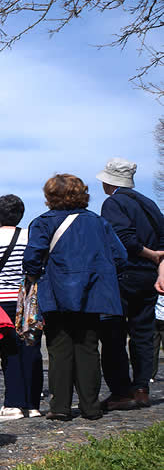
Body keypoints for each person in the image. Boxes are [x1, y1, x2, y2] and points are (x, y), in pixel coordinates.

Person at [23, 175, 126, 422]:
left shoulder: (43, 223)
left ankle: (60, 406)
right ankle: (91, 406)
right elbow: (120, 256)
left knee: (59, 350)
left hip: (56, 293)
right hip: (92, 294)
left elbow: (32, 259)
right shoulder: (99, 223)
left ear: (50, 197)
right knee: (89, 349)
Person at [96, 158, 164, 409]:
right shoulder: (149, 203)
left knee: (113, 334)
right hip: (149, 277)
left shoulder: (113, 203)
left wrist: (150, 255)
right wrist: (160, 267)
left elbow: (124, 240)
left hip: (124, 275)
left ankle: (121, 390)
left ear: (109, 181)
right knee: (143, 333)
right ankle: (141, 387)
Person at [0, 195, 40, 419]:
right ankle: (32, 404)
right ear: (21, 215)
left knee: (9, 352)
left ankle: (13, 403)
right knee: (31, 350)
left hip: (2, 302)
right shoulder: (30, 236)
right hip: (29, 301)